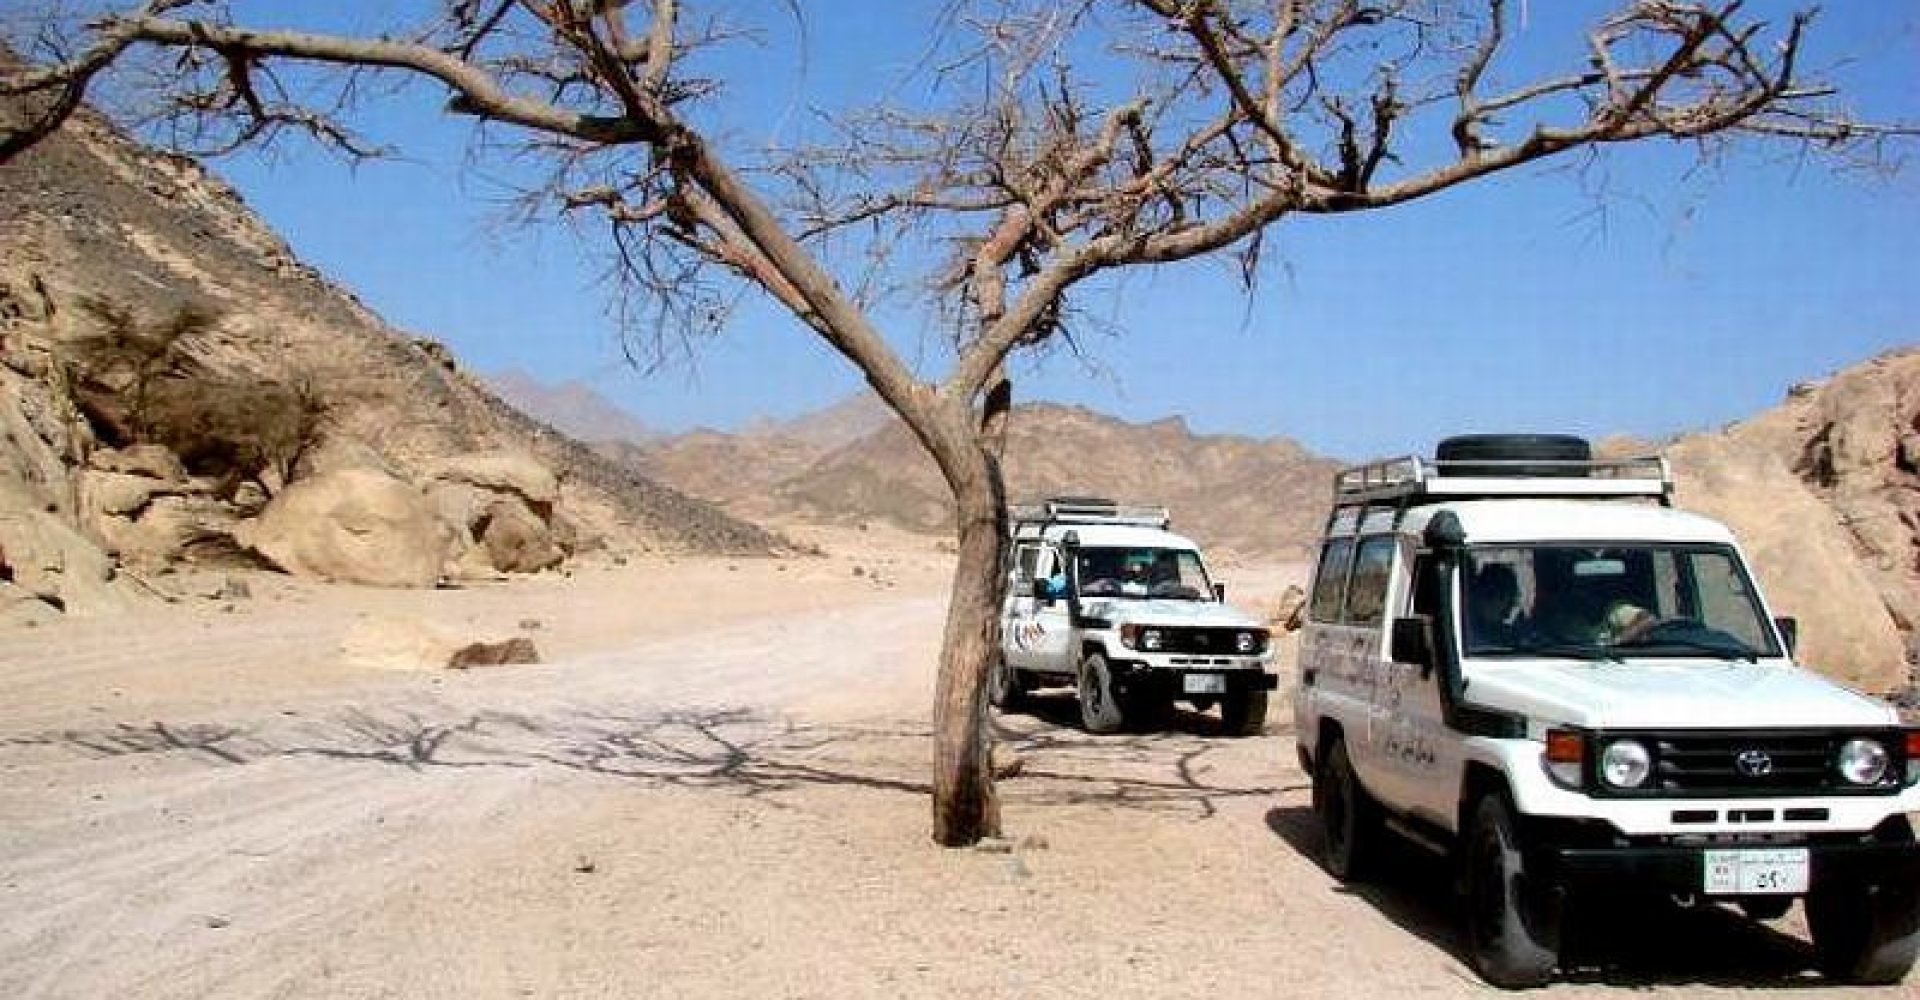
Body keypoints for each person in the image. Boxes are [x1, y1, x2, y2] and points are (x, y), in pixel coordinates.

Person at [1466, 563, 1522, 648]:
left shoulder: (1505, 635)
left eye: (1511, 603)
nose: (1507, 614)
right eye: (1507, 602)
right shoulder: (1470, 634)